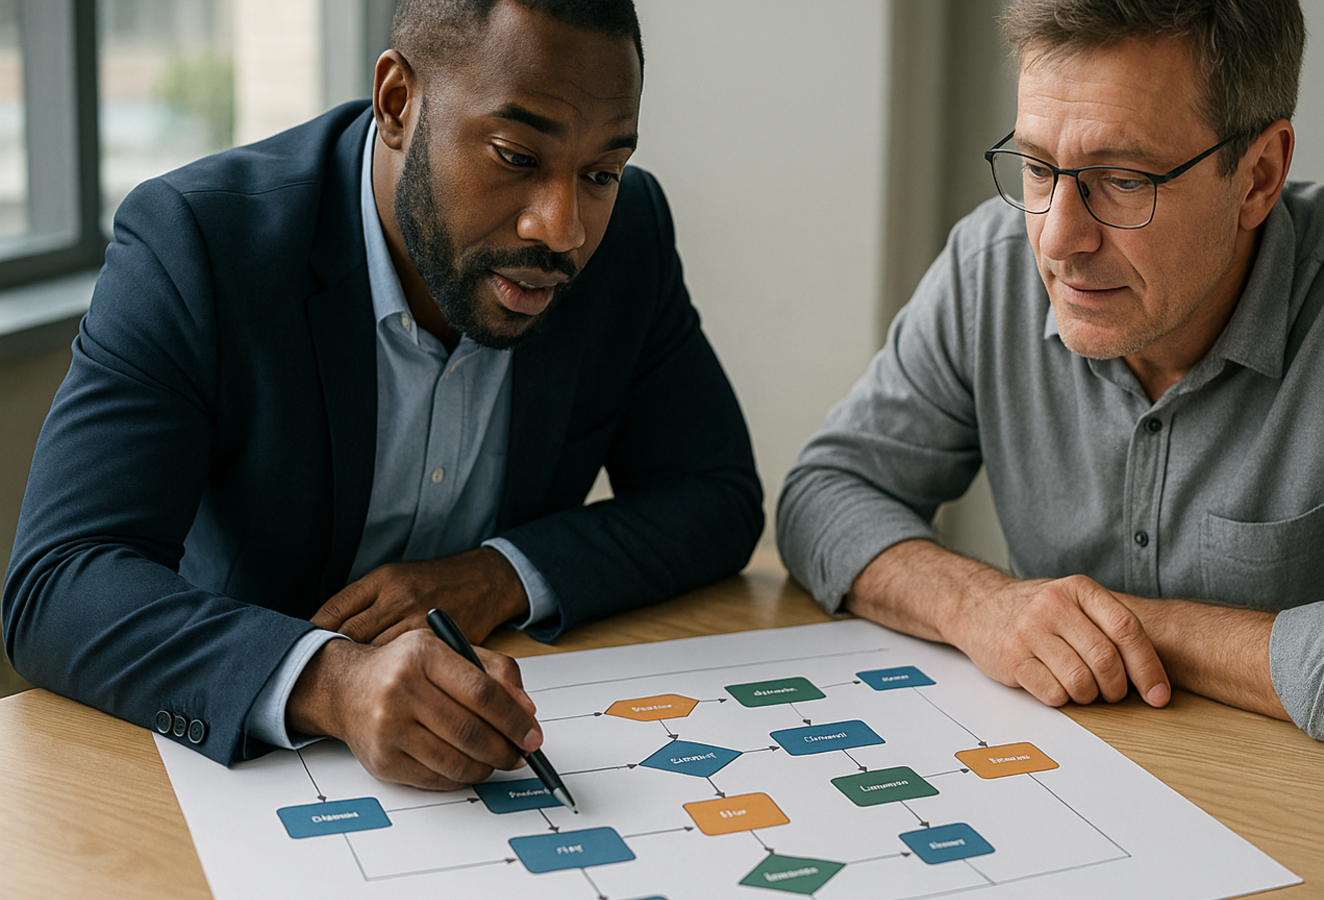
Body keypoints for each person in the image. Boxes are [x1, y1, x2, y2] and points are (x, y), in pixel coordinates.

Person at [3, 0, 762, 790]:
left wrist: (495, 576)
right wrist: (333, 682)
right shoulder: (199, 242)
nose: (561, 228)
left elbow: (716, 495)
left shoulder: (629, 235)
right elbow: (59, 583)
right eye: (515, 156)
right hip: (239, 773)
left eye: (601, 172)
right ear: (398, 103)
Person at [777, 0, 1324, 770]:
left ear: (1259, 175)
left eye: (1122, 179)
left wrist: (1125, 628)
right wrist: (980, 605)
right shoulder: (989, 268)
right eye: (1038, 167)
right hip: (1057, 784)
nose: (1058, 239)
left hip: (1318, 806)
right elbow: (824, 495)